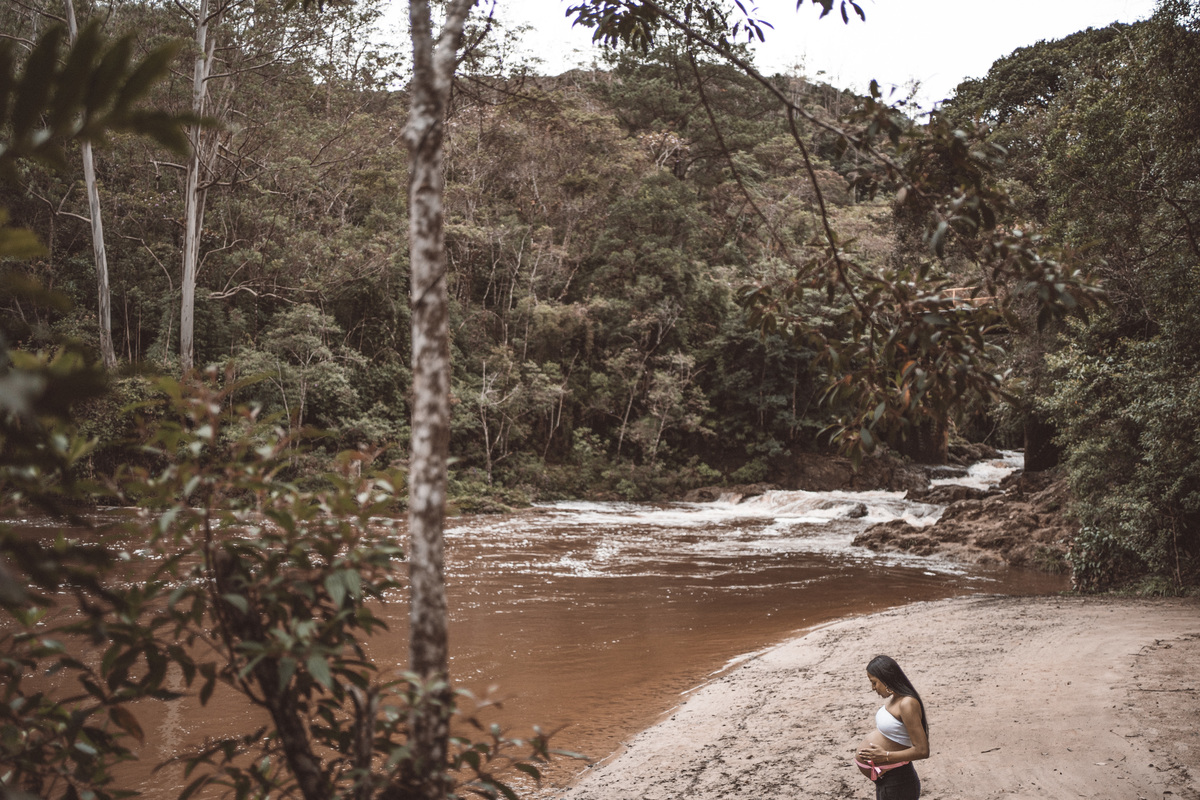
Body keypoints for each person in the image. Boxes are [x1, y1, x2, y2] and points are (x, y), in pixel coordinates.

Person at [854, 655, 929, 800]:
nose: (873, 688)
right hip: (887, 780)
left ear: (885, 678)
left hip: (899, 781)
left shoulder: (907, 703)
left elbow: (922, 750)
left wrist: (885, 756)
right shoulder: (895, 699)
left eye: (874, 682)